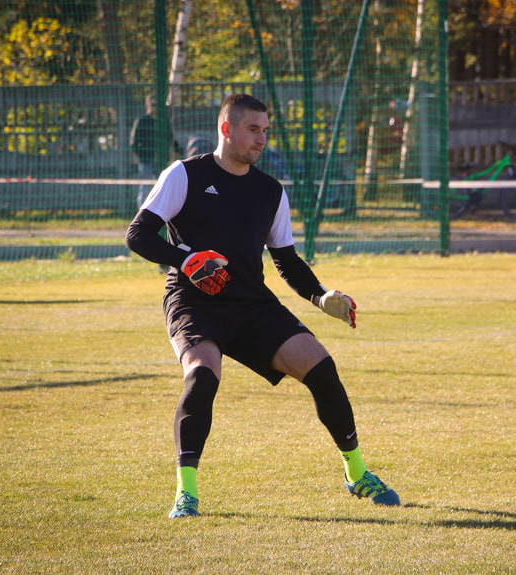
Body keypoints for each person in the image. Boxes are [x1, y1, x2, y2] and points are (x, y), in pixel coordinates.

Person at [125, 93, 400, 518]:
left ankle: (357, 473)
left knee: (322, 368)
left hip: (252, 302)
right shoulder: (184, 175)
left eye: (265, 131)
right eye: (253, 129)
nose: (261, 139)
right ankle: (187, 493)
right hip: (194, 302)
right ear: (226, 129)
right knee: (202, 375)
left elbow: (286, 259)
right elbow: (138, 234)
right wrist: (186, 260)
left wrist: (321, 296)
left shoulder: (270, 191)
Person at [130, 94, 182, 207]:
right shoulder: (142, 121)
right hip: (146, 161)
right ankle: (142, 215)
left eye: (158, 105)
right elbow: (134, 143)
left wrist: (179, 150)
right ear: (148, 105)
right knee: (145, 189)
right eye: (153, 104)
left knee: (163, 188)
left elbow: (171, 138)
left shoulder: (164, 121)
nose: (155, 107)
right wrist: (142, 155)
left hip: (162, 161)